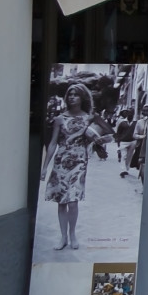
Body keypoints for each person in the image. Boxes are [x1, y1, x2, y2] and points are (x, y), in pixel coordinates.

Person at [43, 83, 102, 251]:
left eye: (75, 94)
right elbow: (53, 143)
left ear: (82, 97)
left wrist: (97, 142)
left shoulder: (89, 118)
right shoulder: (60, 119)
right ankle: (63, 237)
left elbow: (101, 137)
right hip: (61, 161)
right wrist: (45, 167)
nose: (72, 97)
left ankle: (73, 234)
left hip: (79, 162)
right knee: (61, 202)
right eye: (70, 94)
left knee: (73, 201)